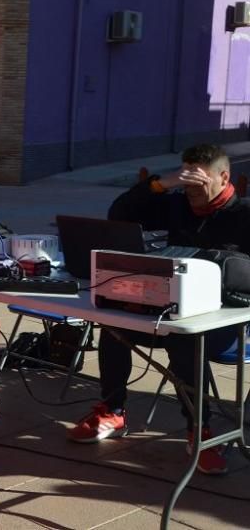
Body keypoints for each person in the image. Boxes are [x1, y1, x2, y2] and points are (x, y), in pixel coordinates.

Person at [68, 143, 250, 476]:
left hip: (228, 324)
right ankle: (113, 410)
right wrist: (160, 184)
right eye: (185, 179)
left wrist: (214, 266)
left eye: (199, 179)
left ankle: (200, 431)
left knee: (184, 340)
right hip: (169, 308)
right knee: (114, 323)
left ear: (224, 177)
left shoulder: (244, 215)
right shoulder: (177, 204)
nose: (191, 188)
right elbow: (119, 213)